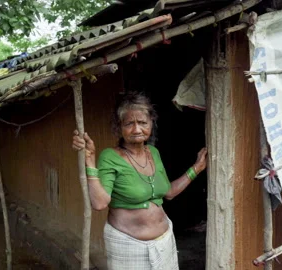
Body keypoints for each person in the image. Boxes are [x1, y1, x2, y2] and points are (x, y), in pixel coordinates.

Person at [72, 92, 207, 270]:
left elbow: (169, 193)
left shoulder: (153, 152)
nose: (137, 129)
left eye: (143, 122)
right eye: (129, 123)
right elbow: (99, 203)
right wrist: (90, 160)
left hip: (165, 241)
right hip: (128, 246)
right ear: (119, 127)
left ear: (152, 123)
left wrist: (196, 168)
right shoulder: (110, 156)